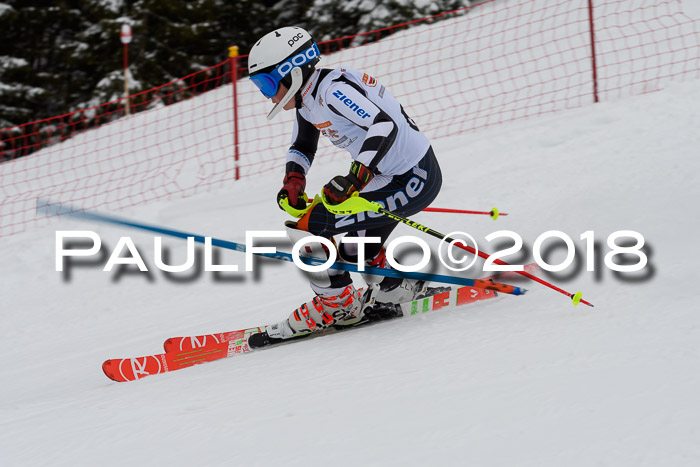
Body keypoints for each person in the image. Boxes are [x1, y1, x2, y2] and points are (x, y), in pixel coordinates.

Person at [246, 26, 442, 347]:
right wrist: (294, 179)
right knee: (353, 249)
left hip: (412, 177)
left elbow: (383, 125)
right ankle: (394, 287)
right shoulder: (309, 96)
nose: (267, 94)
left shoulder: (332, 90)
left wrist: (355, 177)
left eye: (267, 83)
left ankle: (336, 306)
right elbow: (303, 143)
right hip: (391, 176)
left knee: (308, 229)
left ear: (292, 72)